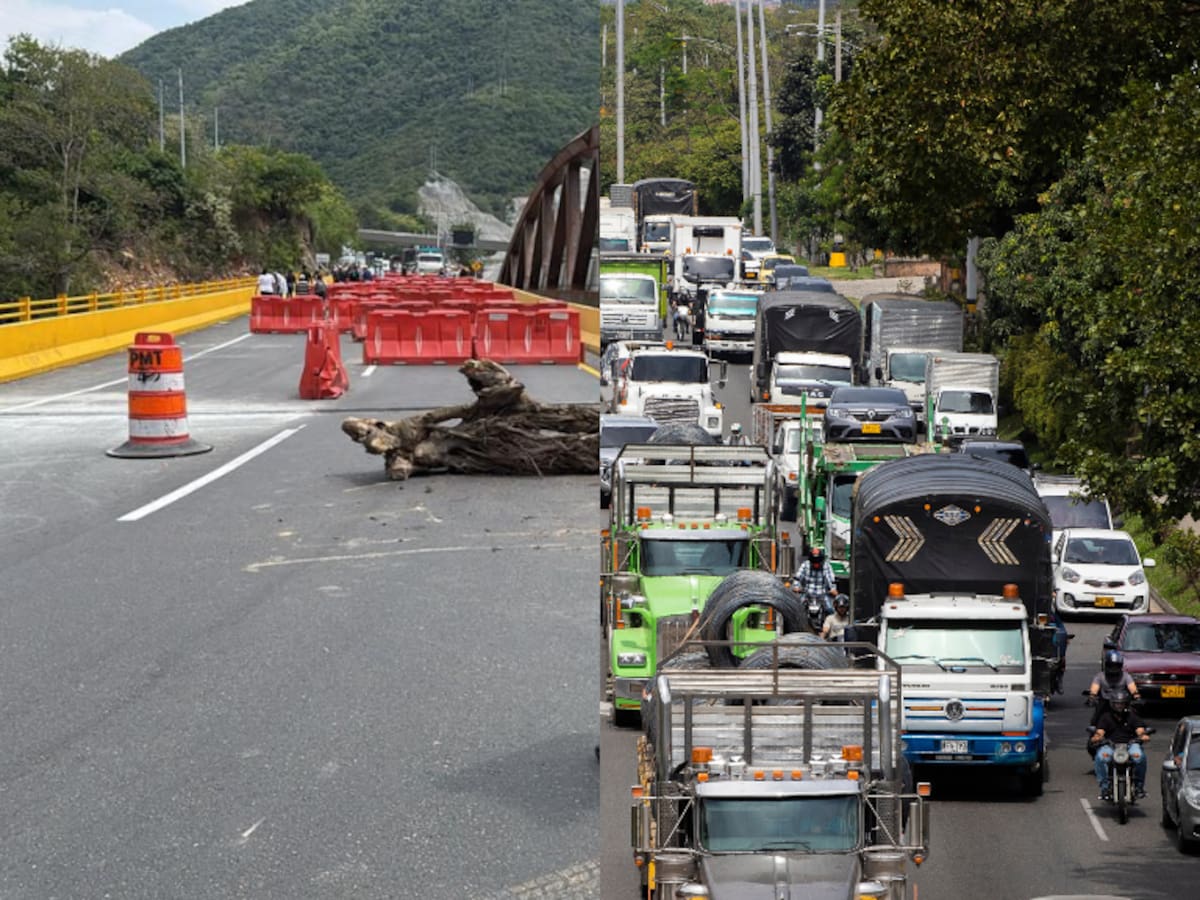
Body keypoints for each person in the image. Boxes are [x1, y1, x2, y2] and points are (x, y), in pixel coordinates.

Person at [1090, 689, 1150, 800]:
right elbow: (1100, 732)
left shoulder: (1132, 716)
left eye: (1122, 703)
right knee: (1101, 757)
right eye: (1117, 703)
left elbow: (1140, 730)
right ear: (1112, 704)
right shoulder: (1105, 717)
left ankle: (1139, 787)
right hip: (1110, 745)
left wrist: (1143, 736)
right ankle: (1105, 788)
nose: (1119, 706)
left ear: (1126, 704)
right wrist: (1097, 738)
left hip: (1130, 744)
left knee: (1139, 757)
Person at [794, 547, 838, 621]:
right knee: (797, 610)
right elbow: (797, 577)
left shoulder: (826, 566)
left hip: (822, 595)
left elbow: (831, 579)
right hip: (807, 594)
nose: (816, 564)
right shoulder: (805, 565)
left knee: (830, 609)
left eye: (818, 562)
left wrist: (833, 589)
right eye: (814, 562)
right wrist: (796, 586)